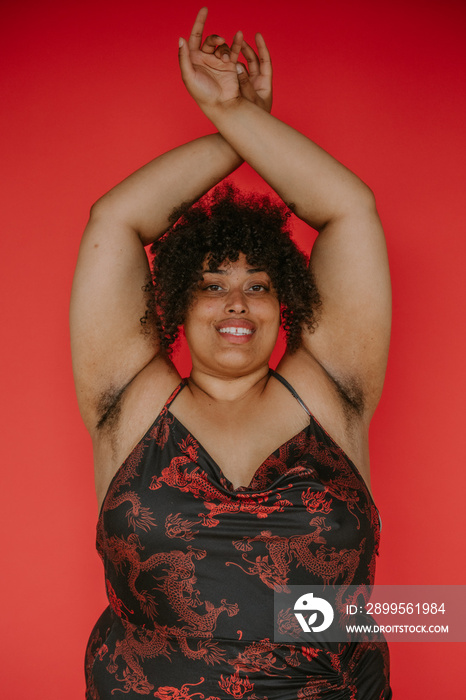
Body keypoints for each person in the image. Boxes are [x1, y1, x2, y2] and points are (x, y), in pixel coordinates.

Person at [70, 7, 392, 699]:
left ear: (289, 306)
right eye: (212, 285)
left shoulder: (332, 393)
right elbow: (115, 219)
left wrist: (246, 120)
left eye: (259, 285)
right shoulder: (130, 404)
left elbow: (351, 209)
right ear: (177, 307)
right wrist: (229, 123)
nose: (237, 303)